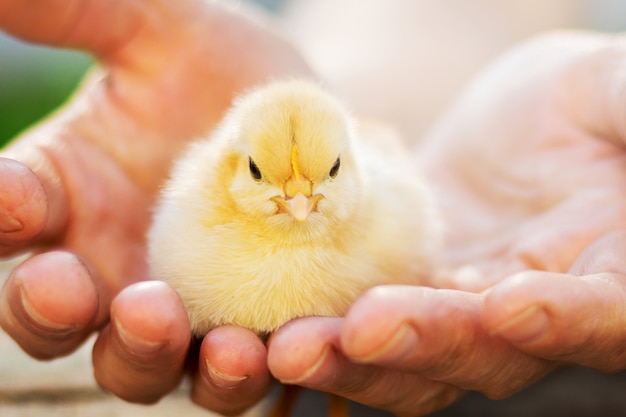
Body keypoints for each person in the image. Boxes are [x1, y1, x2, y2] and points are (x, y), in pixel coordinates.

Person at [1, 1, 626, 416]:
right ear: (228, 167)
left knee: (338, 357)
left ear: (348, 164)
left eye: (324, 176)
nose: (299, 201)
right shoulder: (196, 214)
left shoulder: (387, 218)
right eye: (262, 177)